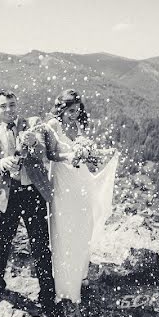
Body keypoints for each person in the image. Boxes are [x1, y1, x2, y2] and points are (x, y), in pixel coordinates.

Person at [0, 89, 59, 317]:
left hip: (33, 194)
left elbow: (44, 154)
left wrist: (34, 141)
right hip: (9, 195)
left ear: (18, 106)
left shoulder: (33, 124)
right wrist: (3, 163)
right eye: (3, 106)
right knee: (0, 241)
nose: (8, 110)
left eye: (12, 105)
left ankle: (47, 296)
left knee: (40, 245)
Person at [43, 89, 119, 305]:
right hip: (62, 179)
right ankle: (66, 281)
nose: (74, 114)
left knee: (83, 224)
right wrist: (71, 155)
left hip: (81, 180)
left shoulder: (79, 126)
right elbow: (50, 154)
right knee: (65, 227)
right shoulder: (52, 126)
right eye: (70, 110)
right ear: (61, 108)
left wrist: (95, 155)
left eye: (77, 110)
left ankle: (81, 272)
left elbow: (86, 156)